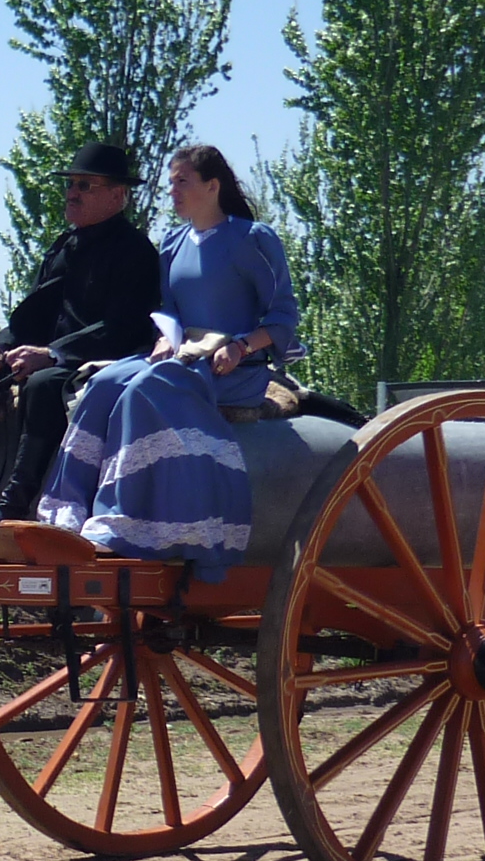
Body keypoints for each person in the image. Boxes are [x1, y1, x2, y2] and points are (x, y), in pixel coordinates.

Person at [35, 144, 300, 579]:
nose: (171, 190)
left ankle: (121, 521)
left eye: (182, 181)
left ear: (212, 187)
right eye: (171, 181)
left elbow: (283, 315)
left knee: (143, 390)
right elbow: (171, 309)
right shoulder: (173, 243)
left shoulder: (253, 238)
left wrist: (241, 347)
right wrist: (164, 336)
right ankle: (65, 514)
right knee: (103, 384)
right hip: (182, 356)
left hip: (232, 368)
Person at [0, 141, 162, 529]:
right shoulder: (63, 248)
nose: (71, 193)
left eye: (85, 185)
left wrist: (51, 355)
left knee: (44, 385)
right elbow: (31, 315)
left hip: (99, 363)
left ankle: (14, 509)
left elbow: (121, 328)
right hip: (42, 359)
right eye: (70, 184)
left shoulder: (136, 252)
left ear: (118, 195)